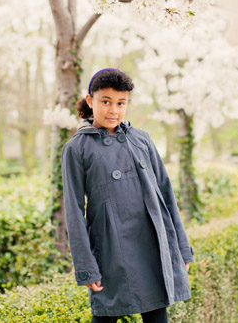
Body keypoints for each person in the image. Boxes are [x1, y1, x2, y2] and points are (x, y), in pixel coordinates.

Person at [61, 68, 194, 323]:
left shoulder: (141, 140)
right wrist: (86, 266)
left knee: (157, 316)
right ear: (91, 101)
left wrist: (181, 248)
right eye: (106, 102)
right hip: (110, 249)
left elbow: (166, 195)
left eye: (121, 103)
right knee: (105, 315)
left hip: (151, 245)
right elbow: (74, 211)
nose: (114, 110)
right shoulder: (76, 149)